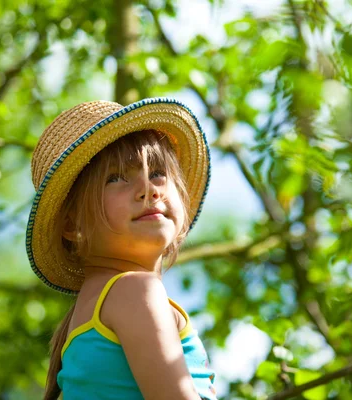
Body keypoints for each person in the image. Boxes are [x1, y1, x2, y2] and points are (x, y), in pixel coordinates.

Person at [25, 98, 217, 400]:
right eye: (116, 178)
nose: (148, 189)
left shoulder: (95, 311)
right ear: (72, 224)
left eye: (157, 173)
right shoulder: (134, 291)